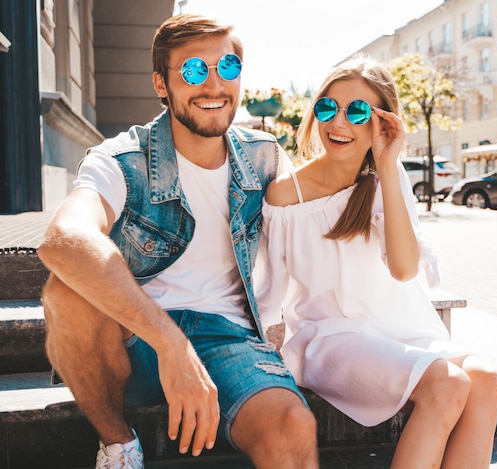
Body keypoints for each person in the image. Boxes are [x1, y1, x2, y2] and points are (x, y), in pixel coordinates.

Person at [37, 14, 318, 469]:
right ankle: (118, 445)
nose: (213, 85)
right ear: (160, 83)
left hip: (229, 340)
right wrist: (171, 345)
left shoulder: (264, 157)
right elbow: (63, 241)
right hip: (130, 341)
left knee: (291, 427)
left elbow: (320, 223)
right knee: (67, 288)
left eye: (226, 68)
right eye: (192, 70)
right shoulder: (122, 159)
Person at [254, 55, 497, 468]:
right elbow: (267, 290)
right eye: (327, 107)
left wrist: (387, 167)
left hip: (397, 329)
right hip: (330, 337)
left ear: (382, 121)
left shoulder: (388, 178)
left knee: (486, 378)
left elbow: (404, 270)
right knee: (446, 384)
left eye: (357, 112)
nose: (339, 123)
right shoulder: (286, 195)